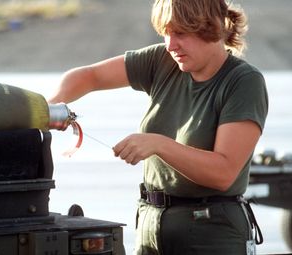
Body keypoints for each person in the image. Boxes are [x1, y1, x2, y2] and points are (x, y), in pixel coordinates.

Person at [48, 0, 268, 254]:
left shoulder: (244, 82)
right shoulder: (163, 61)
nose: (171, 45)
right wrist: (48, 108)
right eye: (166, 33)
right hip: (150, 224)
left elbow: (224, 173)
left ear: (212, 27)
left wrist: (158, 144)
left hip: (211, 232)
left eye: (181, 33)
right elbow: (89, 76)